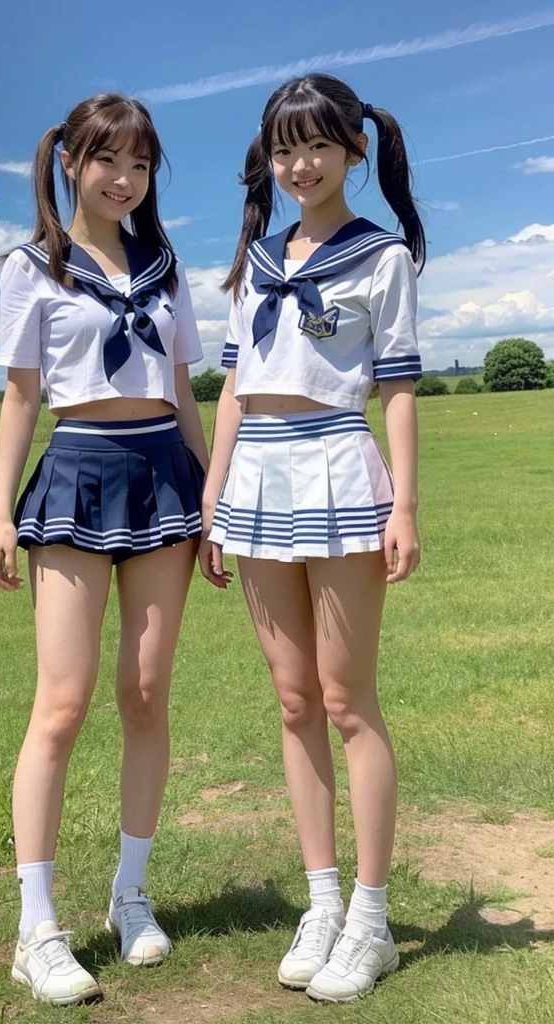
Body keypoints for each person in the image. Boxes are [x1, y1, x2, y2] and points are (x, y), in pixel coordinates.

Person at [199, 73, 425, 1004]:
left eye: (318, 147)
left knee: (345, 697)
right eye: (285, 149)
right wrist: (212, 502)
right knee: (292, 700)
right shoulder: (254, 258)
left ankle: (371, 920)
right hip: (256, 474)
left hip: (338, 465)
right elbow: (232, 389)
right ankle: (322, 902)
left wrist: (403, 504)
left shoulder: (385, 258)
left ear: (354, 153)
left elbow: (400, 386)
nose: (301, 165)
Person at [0, 92, 207, 1007]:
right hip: (76, 474)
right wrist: (0, 515)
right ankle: (37, 927)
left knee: (147, 693)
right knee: (64, 702)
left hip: (163, 475)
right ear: (71, 160)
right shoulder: (32, 267)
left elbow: (187, 388)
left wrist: (213, 500)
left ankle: (131, 896)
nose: (125, 179)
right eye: (108, 160)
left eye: (141, 164)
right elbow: (21, 397)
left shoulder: (164, 264)